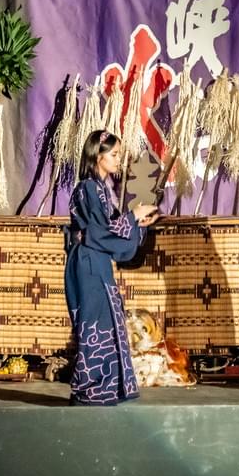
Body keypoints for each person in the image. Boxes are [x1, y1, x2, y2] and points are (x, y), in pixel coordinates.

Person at [64, 130, 158, 406]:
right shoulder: (88, 188)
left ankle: (101, 388)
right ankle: (90, 389)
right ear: (98, 155)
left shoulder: (103, 190)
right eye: (114, 154)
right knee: (94, 324)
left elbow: (112, 232)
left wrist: (137, 226)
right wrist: (132, 216)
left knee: (106, 322)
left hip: (98, 261)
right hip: (88, 261)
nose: (119, 159)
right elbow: (97, 231)